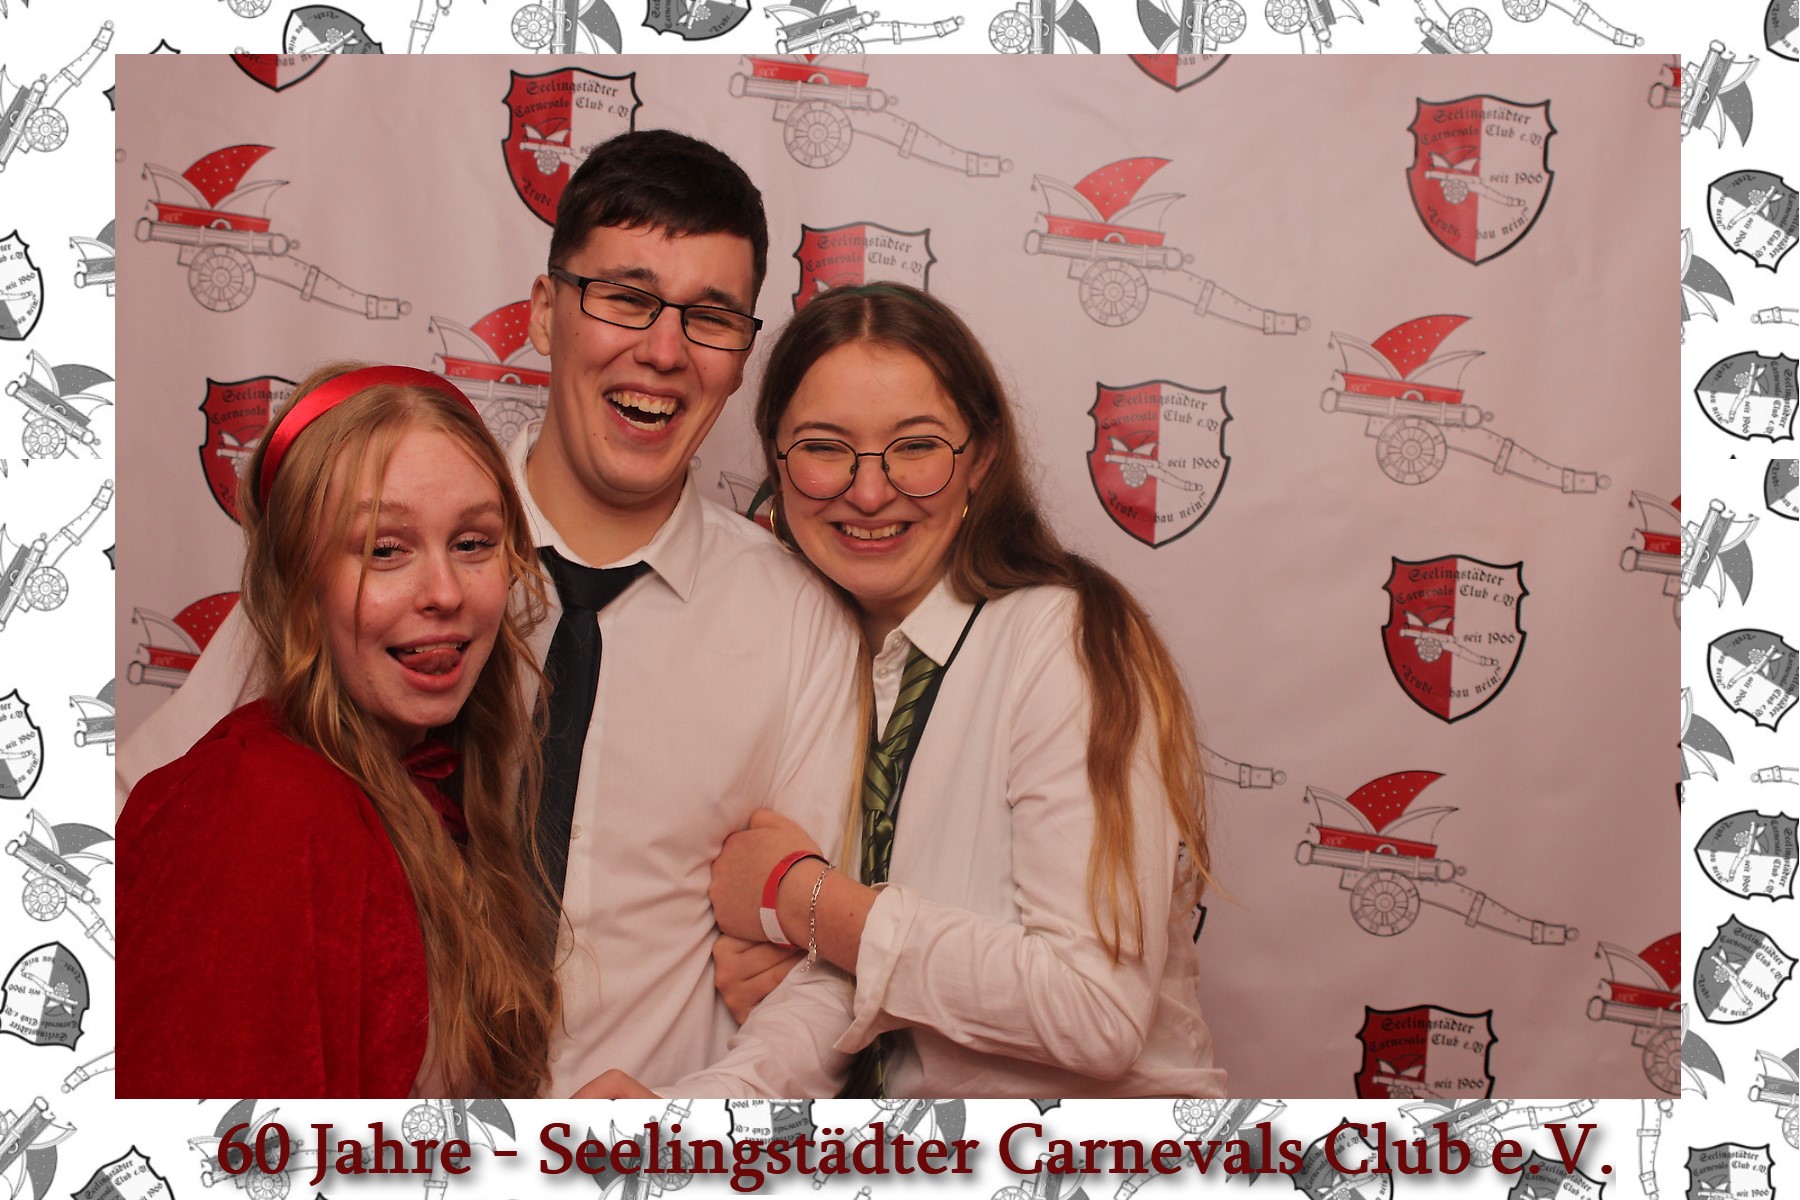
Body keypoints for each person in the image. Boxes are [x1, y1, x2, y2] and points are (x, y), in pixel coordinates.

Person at [117, 131, 863, 1096]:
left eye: (711, 318)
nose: (664, 351)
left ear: (743, 353)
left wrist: (689, 1118)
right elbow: (161, 814)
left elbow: (817, 971)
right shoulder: (370, 556)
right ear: (545, 312)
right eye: (625, 297)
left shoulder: (798, 621)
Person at [655, 283, 1229, 1096]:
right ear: (777, 466)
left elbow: (1093, 1010)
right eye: (824, 448)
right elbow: (843, 988)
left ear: (980, 459)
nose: (868, 491)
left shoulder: (1061, 638)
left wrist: (803, 900)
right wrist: (690, 1112)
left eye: (916, 446)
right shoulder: (823, 665)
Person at [117, 363, 558, 1097]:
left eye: (472, 542)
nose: (445, 592)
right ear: (300, 584)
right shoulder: (260, 807)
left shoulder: (424, 783)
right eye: (385, 549)